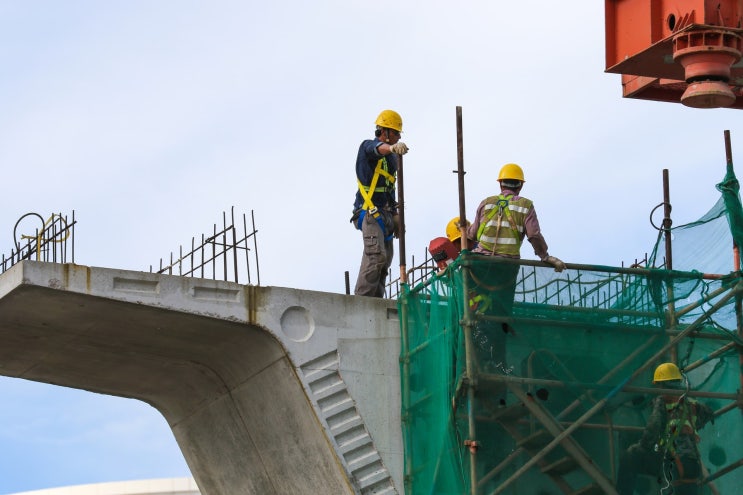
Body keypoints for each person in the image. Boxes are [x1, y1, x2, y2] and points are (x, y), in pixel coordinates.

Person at [466, 162, 565, 315]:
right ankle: (498, 327)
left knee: (474, 303)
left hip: (481, 264)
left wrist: (463, 230)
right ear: (520, 186)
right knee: (501, 308)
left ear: (500, 184)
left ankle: (475, 320)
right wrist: (545, 256)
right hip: (507, 266)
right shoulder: (526, 206)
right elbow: (533, 235)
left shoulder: (486, 203)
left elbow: (471, 235)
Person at [616, 362, 715, 495]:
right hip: (692, 462)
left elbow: (653, 431)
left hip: (669, 460)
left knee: (629, 457)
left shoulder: (662, 400)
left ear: (659, 384)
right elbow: (709, 414)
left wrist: (645, 447)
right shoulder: (691, 402)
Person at [351, 109, 409, 297]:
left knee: (385, 262)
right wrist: (391, 148)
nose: (398, 136)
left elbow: (390, 189)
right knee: (376, 256)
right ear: (384, 131)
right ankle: (362, 301)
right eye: (395, 132)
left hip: (385, 214)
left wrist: (397, 216)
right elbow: (376, 149)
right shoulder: (368, 147)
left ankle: (376, 301)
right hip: (369, 212)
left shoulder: (391, 159)